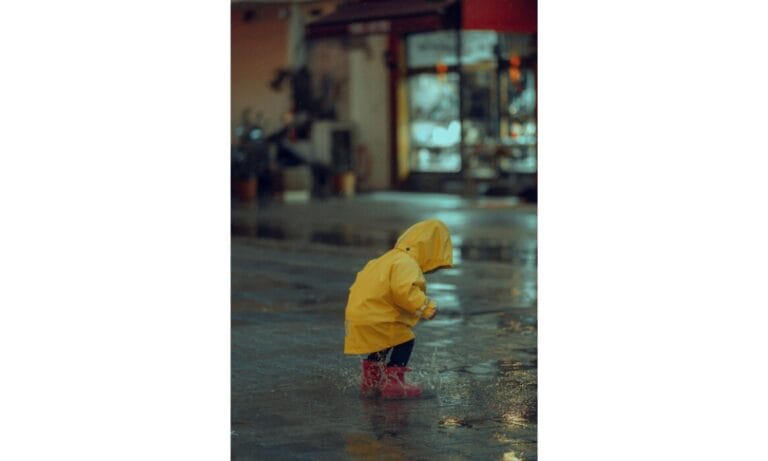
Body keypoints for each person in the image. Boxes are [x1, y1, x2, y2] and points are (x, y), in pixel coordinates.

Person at [344, 219, 453, 398]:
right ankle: (394, 383)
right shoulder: (406, 263)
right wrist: (426, 307)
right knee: (405, 340)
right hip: (378, 315)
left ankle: (371, 380)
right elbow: (404, 290)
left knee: (383, 343)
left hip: (362, 313)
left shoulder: (385, 259)